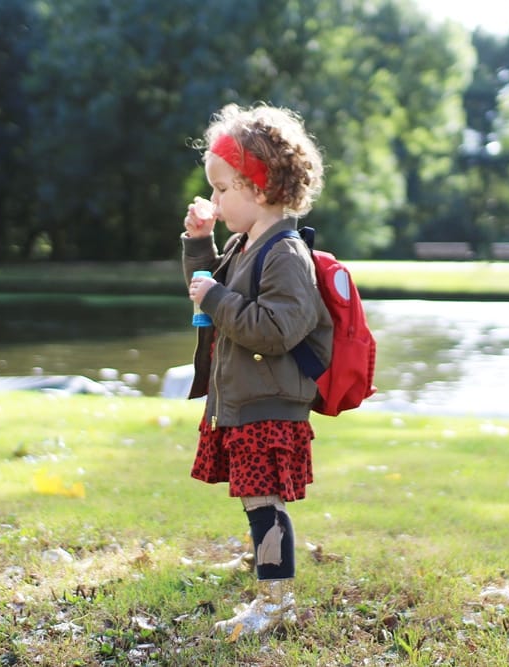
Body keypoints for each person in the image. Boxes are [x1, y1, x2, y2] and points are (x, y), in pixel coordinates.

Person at [181, 102, 332, 637]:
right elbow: (208, 299)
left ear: (261, 189)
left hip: (270, 405)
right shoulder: (247, 244)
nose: (215, 201)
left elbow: (276, 330)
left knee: (263, 501)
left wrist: (218, 296)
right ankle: (263, 564)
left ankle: (276, 601)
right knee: (253, 497)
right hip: (245, 398)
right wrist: (201, 242)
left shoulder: (285, 252)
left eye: (223, 190)